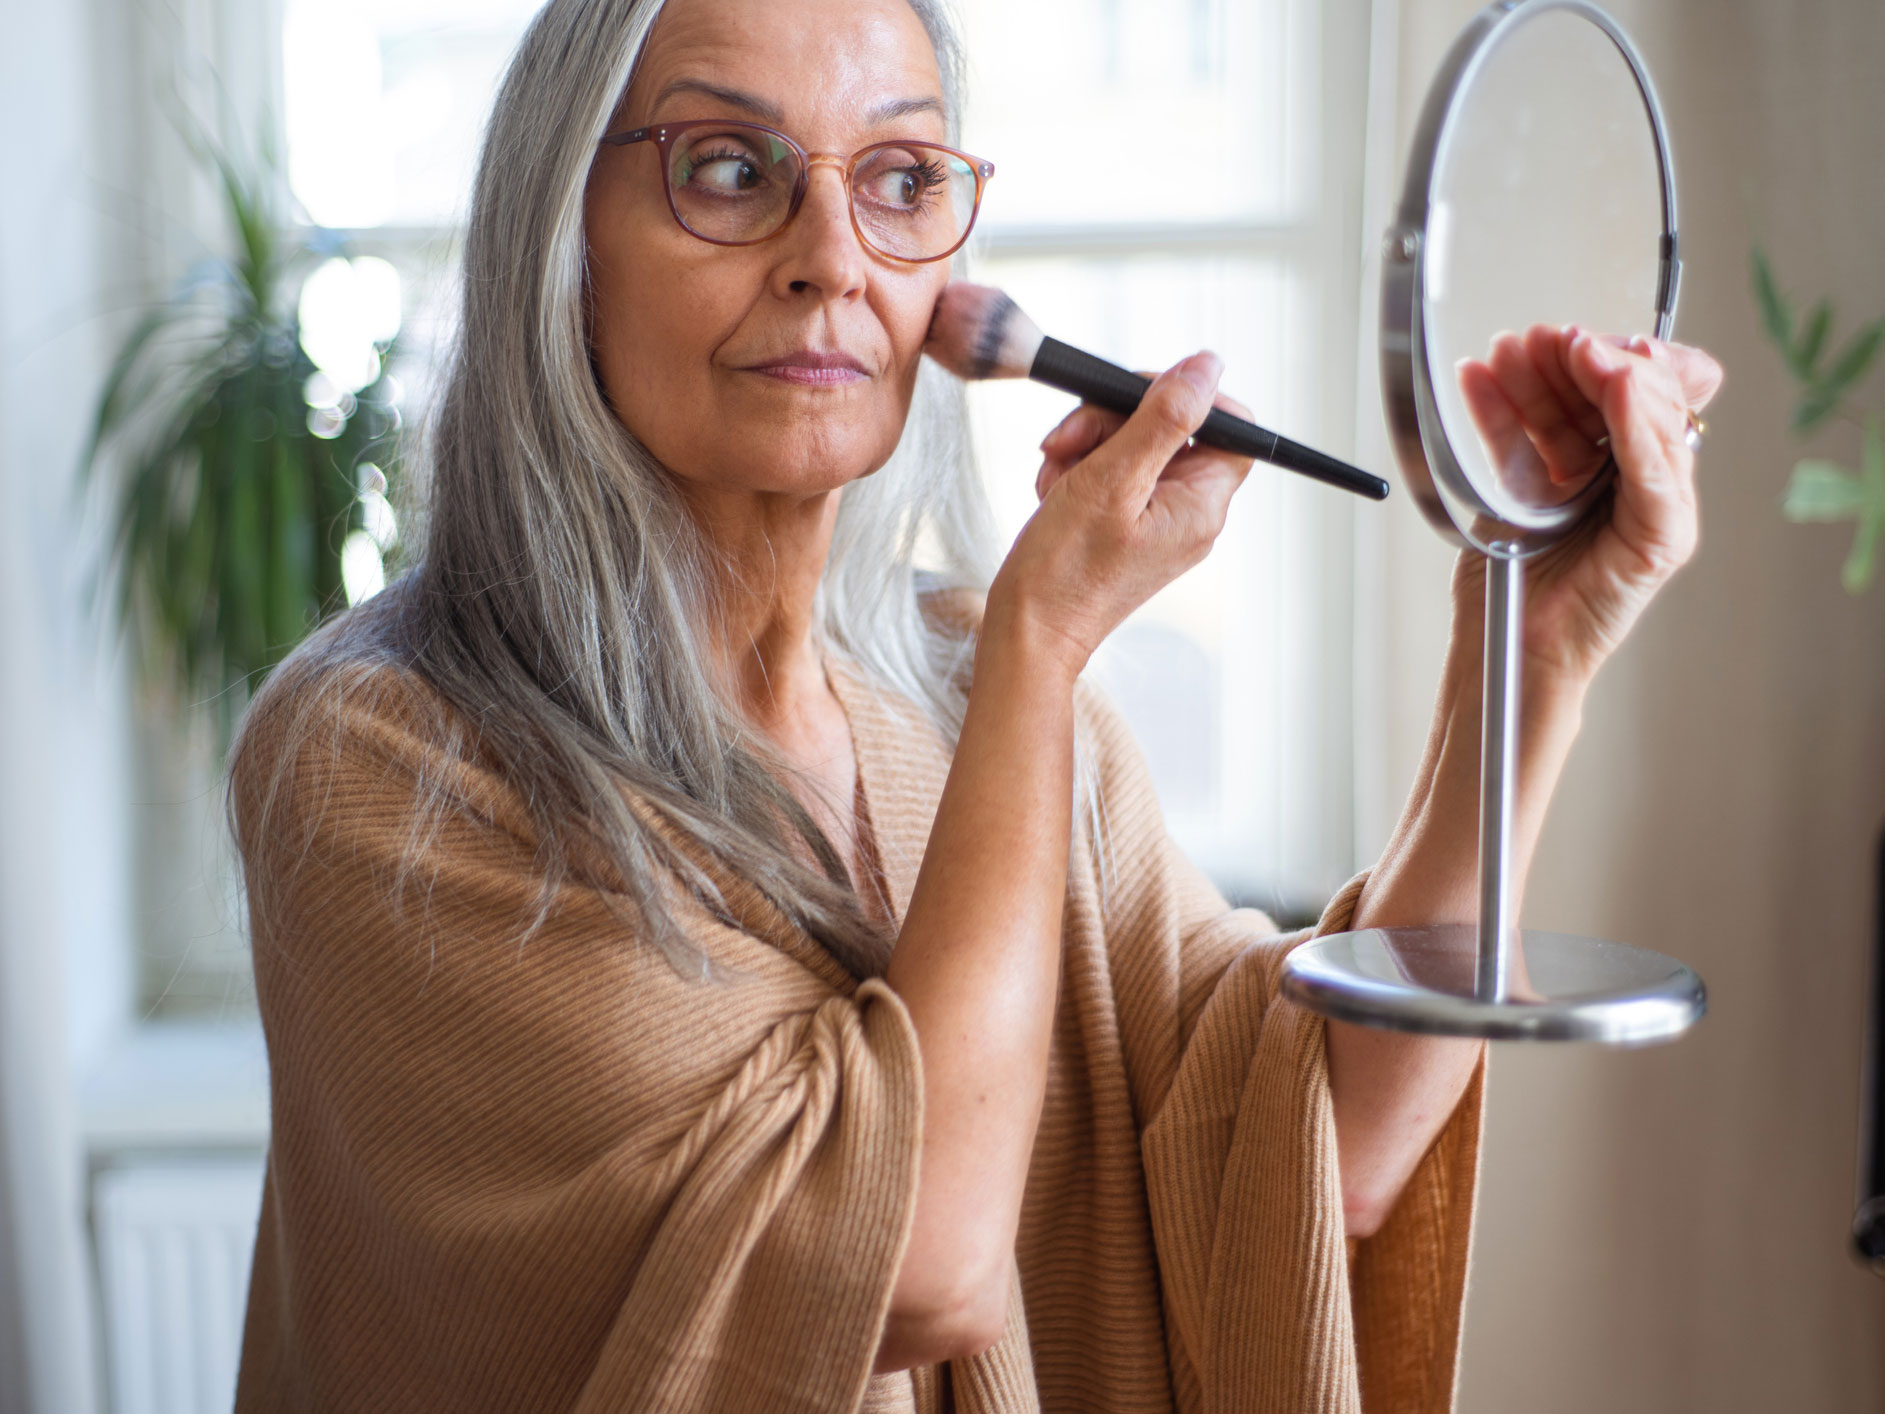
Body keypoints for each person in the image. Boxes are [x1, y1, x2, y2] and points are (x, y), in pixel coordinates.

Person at [226, 0, 1724, 1409]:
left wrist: (1530, 654)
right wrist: (1043, 639)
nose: (833, 259)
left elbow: (1319, 1155)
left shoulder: (964, 684)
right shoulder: (378, 762)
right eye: (730, 168)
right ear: (561, 239)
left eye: (899, 180)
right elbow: (916, 1266)